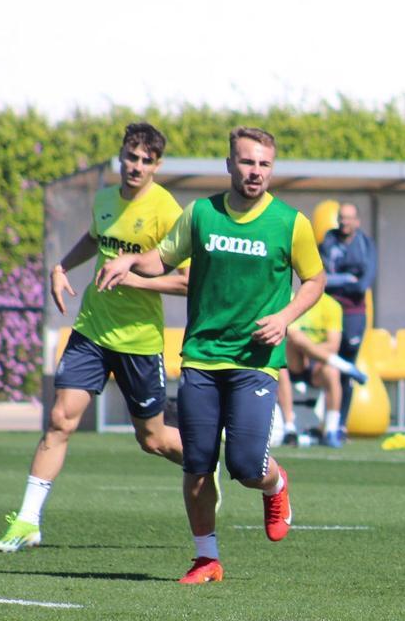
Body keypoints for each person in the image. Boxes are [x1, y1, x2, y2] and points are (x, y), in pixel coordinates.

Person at [97, 126, 325, 584]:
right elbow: (162, 259)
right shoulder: (200, 214)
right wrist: (128, 261)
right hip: (201, 356)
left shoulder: (290, 223)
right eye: (246, 162)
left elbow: (315, 281)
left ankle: (276, 484)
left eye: (263, 164)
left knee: (243, 465)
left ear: (271, 169)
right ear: (229, 165)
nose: (255, 171)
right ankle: (207, 558)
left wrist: (285, 318)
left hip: (254, 361)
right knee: (197, 463)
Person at [0, 123, 188, 553]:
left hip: (138, 342)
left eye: (145, 160)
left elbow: (188, 281)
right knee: (61, 419)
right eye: (130, 157)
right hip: (91, 331)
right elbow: (95, 238)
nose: (135, 166)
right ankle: (27, 521)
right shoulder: (104, 199)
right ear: (120, 156)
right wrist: (62, 266)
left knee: (153, 439)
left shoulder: (167, 210)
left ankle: (201, 462)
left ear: (156, 165)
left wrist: (133, 278)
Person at [276, 292, 368, 448]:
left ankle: (331, 430)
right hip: (294, 361)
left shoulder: (331, 305)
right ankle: (289, 427)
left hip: (317, 364)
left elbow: (333, 345)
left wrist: (309, 350)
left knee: (331, 372)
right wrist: (308, 348)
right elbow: (291, 334)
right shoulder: (290, 299)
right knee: (289, 348)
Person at [318, 201, 377, 438]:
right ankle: (323, 422)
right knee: (326, 363)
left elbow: (364, 282)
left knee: (346, 368)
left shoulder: (364, 244)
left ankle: (339, 424)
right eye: (342, 217)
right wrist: (346, 279)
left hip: (354, 313)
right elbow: (320, 278)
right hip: (328, 312)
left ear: (357, 221)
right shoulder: (327, 243)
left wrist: (340, 280)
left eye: (349, 218)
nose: (345, 222)